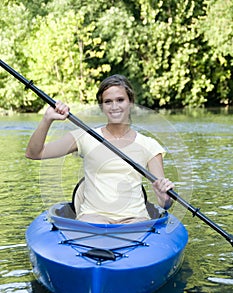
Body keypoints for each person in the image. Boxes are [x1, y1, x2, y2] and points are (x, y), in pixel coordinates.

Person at [26, 74, 174, 224]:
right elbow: (34, 153)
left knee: (138, 223)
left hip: (135, 219)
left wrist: (164, 197)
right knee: (93, 223)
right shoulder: (85, 137)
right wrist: (47, 119)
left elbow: (165, 204)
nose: (114, 106)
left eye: (120, 100)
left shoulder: (149, 145)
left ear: (131, 103)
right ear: (102, 106)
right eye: (108, 102)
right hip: (93, 218)